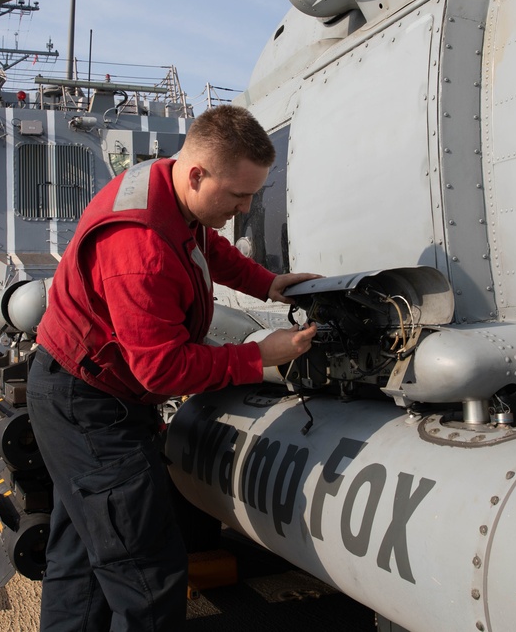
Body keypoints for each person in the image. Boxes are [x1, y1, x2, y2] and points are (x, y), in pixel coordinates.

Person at [27, 104, 319, 631]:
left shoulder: (168, 189)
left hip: (74, 388)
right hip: (90, 406)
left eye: (253, 193)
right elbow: (161, 373)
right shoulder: (140, 249)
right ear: (197, 173)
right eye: (237, 195)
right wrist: (259, 357)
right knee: (147, 575)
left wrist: (267, 283)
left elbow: (205, 244)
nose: (246, 206)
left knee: (81, 559)